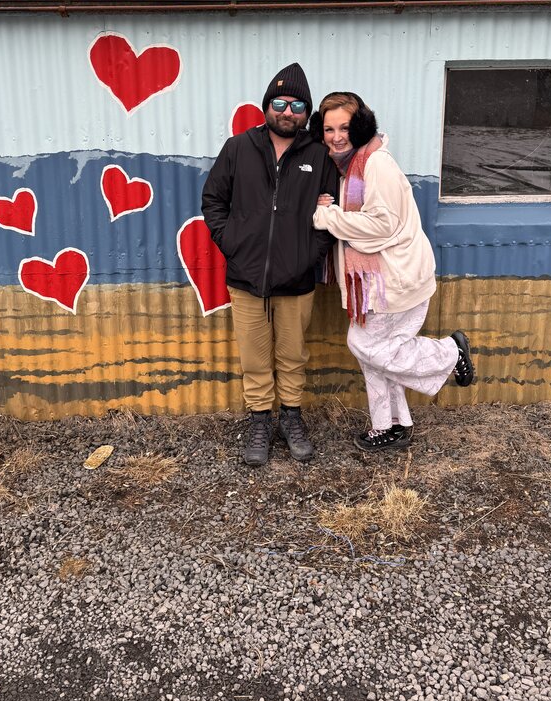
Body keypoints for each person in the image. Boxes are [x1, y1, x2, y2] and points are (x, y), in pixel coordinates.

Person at [311, 91, 474, 452]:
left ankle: (450, 353)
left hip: (394, 279)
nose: (336, 137)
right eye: (329, 129)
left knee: (363, 344)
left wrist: (327, 216)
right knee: (377, 353)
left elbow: (380, 226)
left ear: (360, 126)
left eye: (344, 127)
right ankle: (392, 425)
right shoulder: (349, 167)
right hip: (381, 281)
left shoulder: (376, 165)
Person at [202, 63, 337, 467]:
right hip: (246, 279)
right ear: (267, 107)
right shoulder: (238, 148)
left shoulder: (319, 155)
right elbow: (213, 201)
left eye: (297, 105)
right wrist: (233, 243)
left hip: (297, 280)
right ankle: (260, 421)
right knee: (255, 357)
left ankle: (291, 418)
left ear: (306, 112)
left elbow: (331, 216)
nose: (287, 112)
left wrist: (308, 256)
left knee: (293, 355)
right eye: (279, 103)